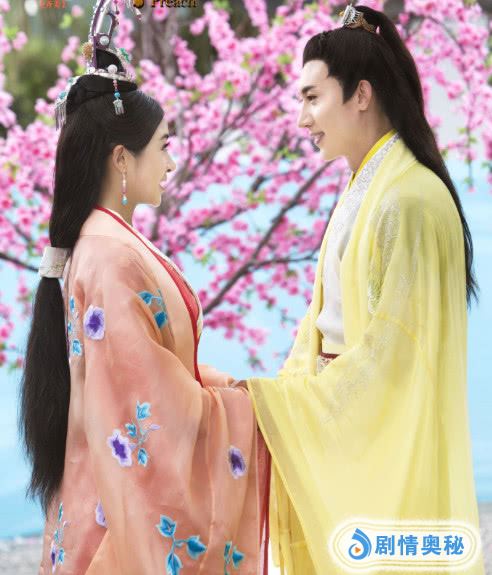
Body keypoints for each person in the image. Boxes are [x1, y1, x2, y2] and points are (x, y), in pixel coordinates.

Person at [19, 1, 269, 573]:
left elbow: (155, 369)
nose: (172, 162)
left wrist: (232, 388)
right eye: (163, 146)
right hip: (115, 518)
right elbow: (148, 408)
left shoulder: (104, 240)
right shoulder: (109, 255)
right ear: (121, 159)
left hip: (100, 493)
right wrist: (245, 409)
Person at [244, 5, 485, 574]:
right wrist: (280, 393)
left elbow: (395, 358)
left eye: (312, 98)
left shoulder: (408, 200)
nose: (301, 119)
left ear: (361, 94)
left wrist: (285, 406)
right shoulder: (368, 187)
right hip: (342, 417)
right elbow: (319, 324)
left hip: (376, 437)